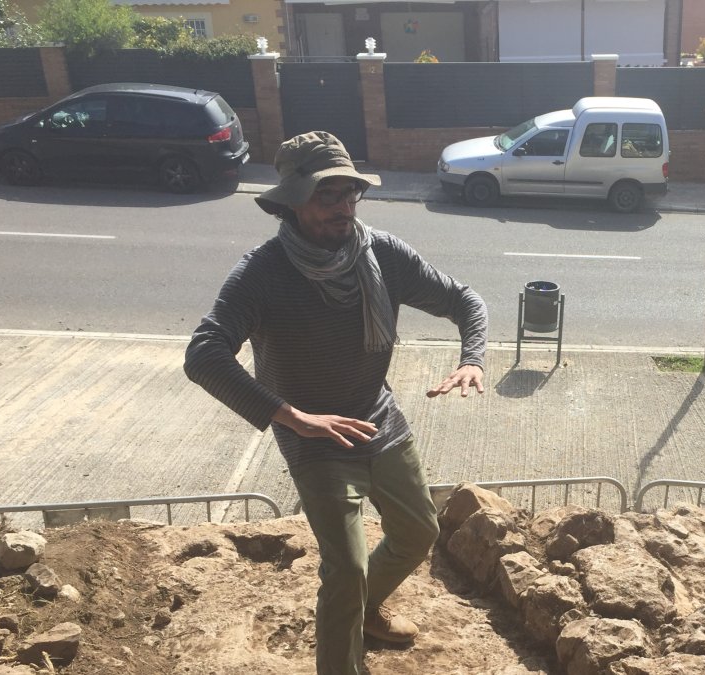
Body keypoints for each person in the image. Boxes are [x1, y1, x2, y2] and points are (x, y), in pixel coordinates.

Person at [184, 131, 487, 675]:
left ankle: (366, 610)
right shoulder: (263, 272)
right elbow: (204, 354)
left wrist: (473, 358)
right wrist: (290, 415)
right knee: (344, 569)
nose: (344, 207)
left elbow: (464, 299)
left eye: (351, 194)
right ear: (295, 201)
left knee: (420, 531)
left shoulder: (383, 256)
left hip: (377, 419)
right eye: (328, 196)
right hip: (314, 439)